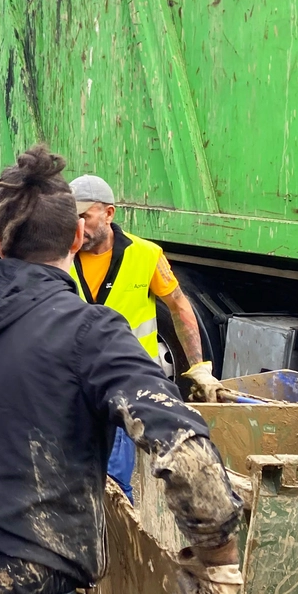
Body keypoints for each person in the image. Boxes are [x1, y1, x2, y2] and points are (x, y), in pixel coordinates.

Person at [0, 146, 243, 594]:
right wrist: (217, 561)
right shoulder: (90, 332)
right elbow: (187, 455)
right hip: (25, 584)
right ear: (78, 237)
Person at [69, 174, 221, 498]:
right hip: (73, 381)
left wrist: (199, 367)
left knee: (114, 482)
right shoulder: (59, 255)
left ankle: (116, 542)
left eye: (85, 216)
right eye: (72, 216)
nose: (77, 225)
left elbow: (179, 307)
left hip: (125, 380)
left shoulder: (146, 255)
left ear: (109, 214)